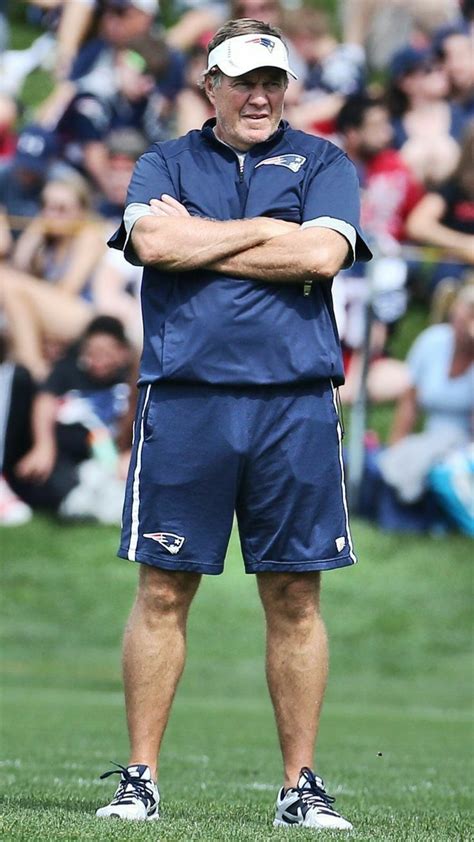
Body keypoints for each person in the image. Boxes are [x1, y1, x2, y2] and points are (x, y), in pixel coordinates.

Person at [96, 18, 371, 831]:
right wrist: (268, 232)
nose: (259, 96)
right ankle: (139, 779)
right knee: (161, 588)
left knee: (294, 593)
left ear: (287, 88)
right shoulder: (164, 161)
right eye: (242, 80)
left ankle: (300, 787)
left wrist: (200, 241)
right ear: (209, 84)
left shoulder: (325, 161)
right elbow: (149, 239)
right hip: (186, 399)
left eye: (272, 82)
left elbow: (321, 258)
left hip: (295, 401)